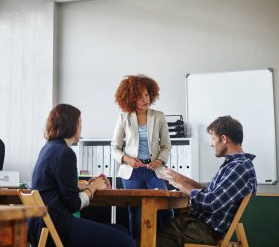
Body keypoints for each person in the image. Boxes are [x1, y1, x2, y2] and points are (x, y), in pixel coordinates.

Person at [29, 104, 136, 247]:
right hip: (57, 227)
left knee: (121, 229)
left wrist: (85, 185)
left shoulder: (48, 148)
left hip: (39, 226)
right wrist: (93, 187)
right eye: (80, 123)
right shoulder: (65, 153)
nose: (81, 128)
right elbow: (74, 204)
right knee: (126, 242)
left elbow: (57, 186)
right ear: (72, 125)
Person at [156, 116, 257, 247]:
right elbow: (210, 193)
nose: (211, 143)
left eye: (213, 138)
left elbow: (211, 203)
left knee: (147, 239)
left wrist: (180, 184)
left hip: (202, 230)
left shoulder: (240, 167)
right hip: (197, 226)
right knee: (156, 225)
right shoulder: (235, 165)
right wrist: (180, 178)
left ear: (224, 139)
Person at [111, 74, 172, 240]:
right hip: (132, 172)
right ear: (131, 99)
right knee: (136, 214)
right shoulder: (124, 118)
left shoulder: (158, 116)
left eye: (146, 94)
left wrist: (160, 160)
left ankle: (165, 243)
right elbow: (114, 148)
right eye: (139, 96)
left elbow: (166, 145)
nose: (145, 99)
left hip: (154, 170)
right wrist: (127, 159)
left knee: (166, 210)